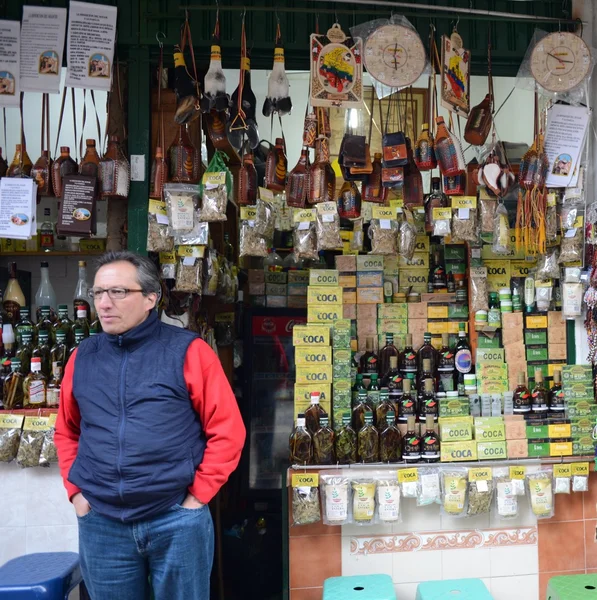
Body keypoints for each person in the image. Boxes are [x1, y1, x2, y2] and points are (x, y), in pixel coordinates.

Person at [55, 251, 246, 600]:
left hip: (175, 519)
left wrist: (196, 497)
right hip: (102, 522)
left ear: (150, 299)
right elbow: (67, 430)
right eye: (98, 293)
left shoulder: (188, 351)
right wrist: (78, 495)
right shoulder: (83, 357)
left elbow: (227, 430)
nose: (105, 303)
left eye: (118, 292)